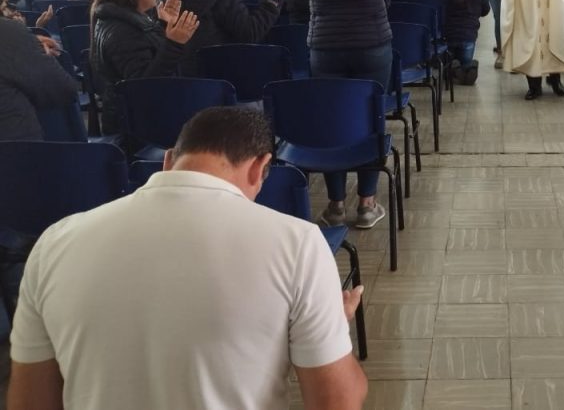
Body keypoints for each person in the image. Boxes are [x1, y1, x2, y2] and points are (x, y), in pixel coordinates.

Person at [7, 106, 368, 410]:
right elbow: (338, 401)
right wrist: (331, 328)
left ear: (169, 160)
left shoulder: (54, 243)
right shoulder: (298, 243)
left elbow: (28, 401)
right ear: (260, 167)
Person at [290, 0, 445, 229]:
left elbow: (296, 0)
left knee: (331, 121)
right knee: (370, 118)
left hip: (324, 45)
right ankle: (367, 203)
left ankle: (335, 205)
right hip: (371, 43)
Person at [90, 0, 200, 139]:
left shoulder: (127, 19)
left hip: (142, 115)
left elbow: (148, 52)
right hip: (135, 127)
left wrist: (164, 24)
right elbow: (144, 85)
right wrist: (174, 44)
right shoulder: (121, 32)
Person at [0, 15, 79, 141]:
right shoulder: (8, 32)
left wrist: (27, 44)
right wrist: (26, 46)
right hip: (17, 148)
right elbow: (64, 90)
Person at [439, 0, 490, 85]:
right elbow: (485, 10)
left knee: (448, 62)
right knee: (466, 62)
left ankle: (453, 69)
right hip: (469, 36)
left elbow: (437, 6)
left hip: (449, 35)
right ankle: (467, 69)